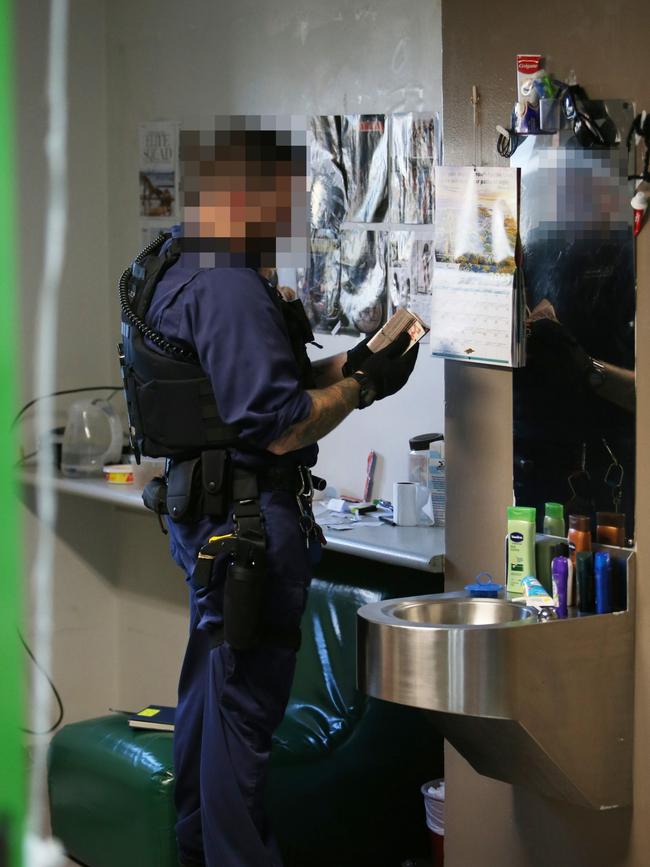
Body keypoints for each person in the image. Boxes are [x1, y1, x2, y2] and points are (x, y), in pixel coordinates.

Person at [118, 122, 418, 867]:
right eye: (278, 198)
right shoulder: (226, 283)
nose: (287, 216)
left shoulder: (174, 264)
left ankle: (197, 850)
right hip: (247, 525)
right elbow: (280, 425)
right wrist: (360, 388)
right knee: (240, 721)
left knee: (209, 698)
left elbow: (247, 390)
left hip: (210, 518)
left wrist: (361, 362)